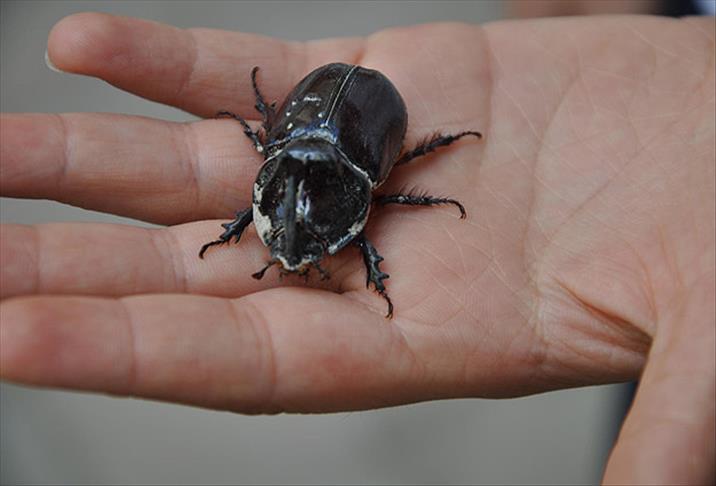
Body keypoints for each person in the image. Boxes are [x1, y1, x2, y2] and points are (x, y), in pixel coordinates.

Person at [1, 12, 713, 485]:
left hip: (345, 115)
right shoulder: (282, 170)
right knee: (345, 199)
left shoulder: (353, 188)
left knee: (400, 192)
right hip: (312, 124)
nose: (295, 248)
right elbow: (267, 204)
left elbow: (358, 217)